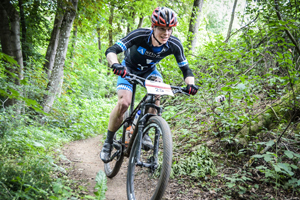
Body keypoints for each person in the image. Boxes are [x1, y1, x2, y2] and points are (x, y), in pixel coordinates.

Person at [100, 7, 198, 163]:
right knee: (124, 103)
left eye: (169, 29)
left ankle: (143, 127)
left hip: (149, 71)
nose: (166, 33)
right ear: (153, 27)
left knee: (156, 94)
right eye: (162, 29)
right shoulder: (140, 35)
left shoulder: (174, 44)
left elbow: (186, 69)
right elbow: (112, 50)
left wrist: (191, 85)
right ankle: (108, 141)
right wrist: (115, 64)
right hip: (128, 69)